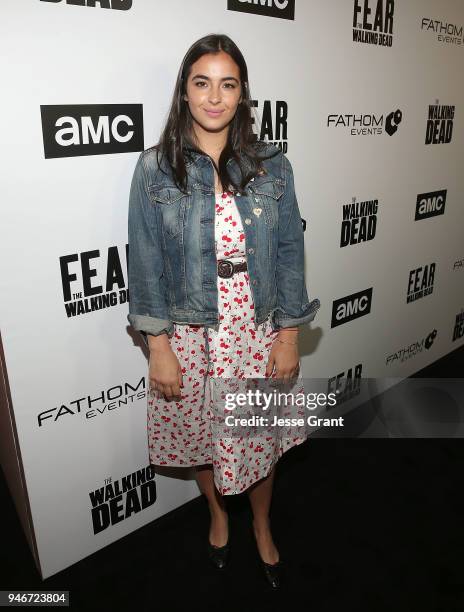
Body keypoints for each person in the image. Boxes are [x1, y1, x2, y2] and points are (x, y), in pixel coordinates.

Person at [127, 33, 320, 589]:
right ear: (184, 93)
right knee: (202, 437)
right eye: (202, 82)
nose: (215, 96)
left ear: (242, 96)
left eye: (227, 84)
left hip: (254, 326)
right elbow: (144, 263)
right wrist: (157, 347)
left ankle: (260, 524)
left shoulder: (272, 166)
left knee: (256, 435)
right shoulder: (153, 170)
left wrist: (287, 334)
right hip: (188, 333)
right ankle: (216, 513)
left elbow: (288, 252)